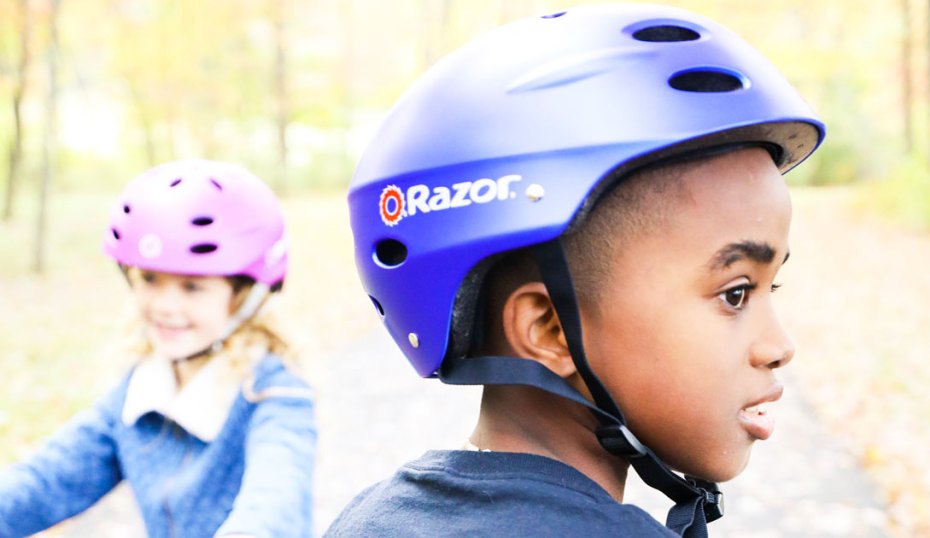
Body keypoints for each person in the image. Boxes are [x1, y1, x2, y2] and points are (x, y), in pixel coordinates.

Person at [328, 3, 825, 537]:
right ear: (549, 329)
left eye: (771, 286)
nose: (779, 346)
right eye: (735, 293)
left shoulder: (366, 521)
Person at [0, 160, 317, 537]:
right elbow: (48, 480)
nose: (165, 306)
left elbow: (274, 504)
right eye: (149, 279)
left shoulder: (275, 395)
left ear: (244, 295)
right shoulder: (141, 389)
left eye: (193, 286)